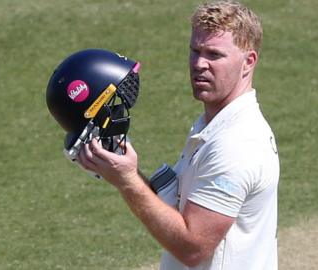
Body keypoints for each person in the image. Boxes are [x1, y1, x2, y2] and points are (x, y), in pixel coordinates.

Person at [77, 1, 280, 269]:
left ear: (248, 62)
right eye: (195, 51)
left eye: (214, 55)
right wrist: (122, 170)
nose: (199, 64)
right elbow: (178, 212)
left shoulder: (237, 145)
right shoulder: (215, 124)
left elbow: (193, 247)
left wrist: (128, 181)